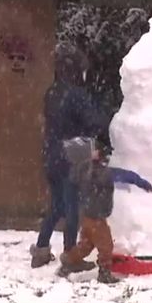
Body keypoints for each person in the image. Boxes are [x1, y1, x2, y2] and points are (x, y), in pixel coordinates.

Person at [30, 43, 111, 269]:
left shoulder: (52, 92)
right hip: (71, 156)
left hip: (51, 154)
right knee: (72, 206)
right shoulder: (76, 94)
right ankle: (70, 256)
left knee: (57, 205)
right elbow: (95, 122)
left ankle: (41, 249)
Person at [57, 137, 152, 282]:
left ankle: (68, 262)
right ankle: (104, 273)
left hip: (86, 215)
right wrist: (140, 182)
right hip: (97, 218)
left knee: (86, 246)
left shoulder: (84, 169)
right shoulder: (105, 173)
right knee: (106, 246)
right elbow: (125, 175)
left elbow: (73, 178)